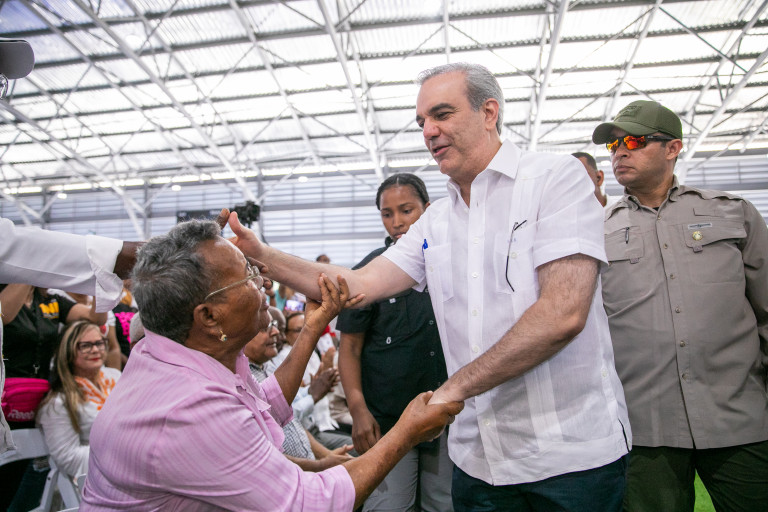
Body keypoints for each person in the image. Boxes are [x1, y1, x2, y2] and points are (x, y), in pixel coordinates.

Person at [224, 62, 630, 511]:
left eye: (442, 114)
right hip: (479, 462)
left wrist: (453, 389)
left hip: (568, 459)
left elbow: (562, 314)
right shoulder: (436, 221)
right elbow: (358, 283)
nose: (429, 132)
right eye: (422, 122)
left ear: (489, 112)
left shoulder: (554, 179)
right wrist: (261, 254)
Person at [82, 219, 462, 511]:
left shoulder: (178, 353)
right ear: (209, 316)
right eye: (247, 276)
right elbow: (311, 505)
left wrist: (310, 330)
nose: (264, 282)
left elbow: (264, 405)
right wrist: (405, 433)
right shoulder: (187, 410)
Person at [592, 99, 768, 512]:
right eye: (614, 145)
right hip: (645, 427)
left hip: (739, 417)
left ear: (673, 148)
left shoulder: (732, 213)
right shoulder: (595, 231)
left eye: (633, 141)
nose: (620, 153)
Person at [336, 173, 452, 512]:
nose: (397, 222)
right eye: (387, 214)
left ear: (427, 209)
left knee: (442, 504)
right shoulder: (368, 273)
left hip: (443, 415)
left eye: (406, 210)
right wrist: (358, 409)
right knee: (390, 506)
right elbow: (349, 348)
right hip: (386, 420)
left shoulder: (449, 265)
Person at [244, 311, 353, 471]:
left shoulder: (269, 366)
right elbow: (268, 453)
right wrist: (321, 464)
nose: (276, 332)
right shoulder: (243, 378)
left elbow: (293, 420)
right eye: (264, 327)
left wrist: (327, 457)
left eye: (275, 326)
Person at [37, 321, 121, 478]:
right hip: (96, 478)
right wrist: (124, 449)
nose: (95, 350)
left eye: (99, 343)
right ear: (68, 351)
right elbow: (69, 459)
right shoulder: (58, 403)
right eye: (85, 346)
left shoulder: (116, 377)